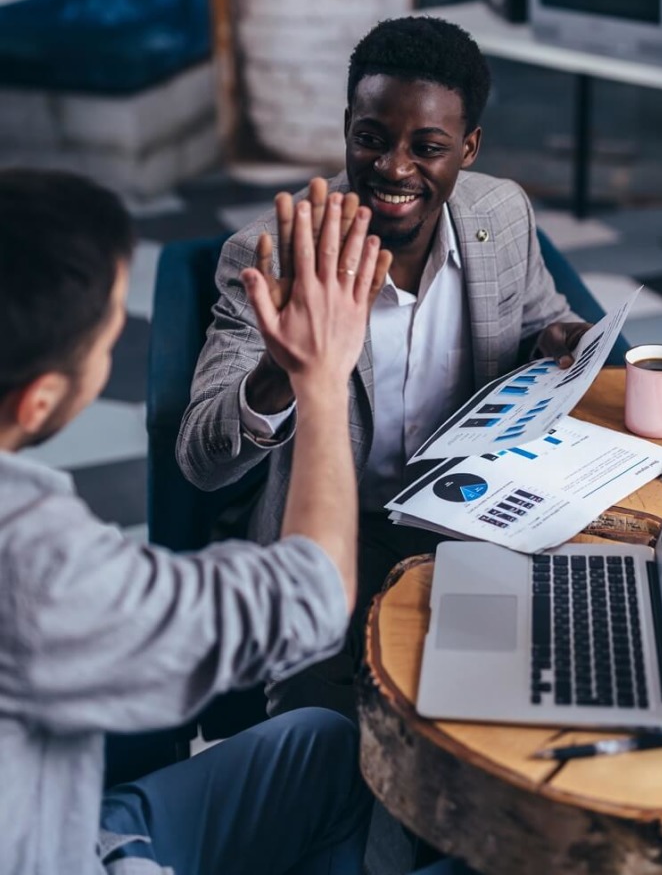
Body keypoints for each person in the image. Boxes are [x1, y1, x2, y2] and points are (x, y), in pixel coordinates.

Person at [177, 15, 592, 720]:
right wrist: (282, 373)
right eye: (371, 137)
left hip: (473, 518)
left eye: (426, 147)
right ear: (347, 125)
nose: (393, 168)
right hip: (338, 538)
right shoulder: (272, 257)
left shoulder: (504, 214)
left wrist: (555, 336)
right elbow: (200, 460)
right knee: (329, 739)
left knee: (527, 698)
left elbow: (534, 321)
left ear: (469, 148)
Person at [0, 169, 391, 875]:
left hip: (51, 804)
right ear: (39, 402)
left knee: (321, 746)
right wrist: (322, 377)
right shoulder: (35, 563)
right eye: (110, 330)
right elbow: (310, 596)